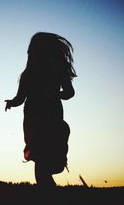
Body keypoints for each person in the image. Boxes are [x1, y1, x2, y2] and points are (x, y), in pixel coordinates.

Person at [5, 32, 76, 187]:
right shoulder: (28, 74)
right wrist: (12, 102)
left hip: (52, 119)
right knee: (41, 161)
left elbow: (70, 92)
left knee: (50, 161)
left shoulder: (58, 72)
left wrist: (56, 94)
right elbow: (20, 97)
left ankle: (48, 196)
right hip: (34, 121)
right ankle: (48, 198)